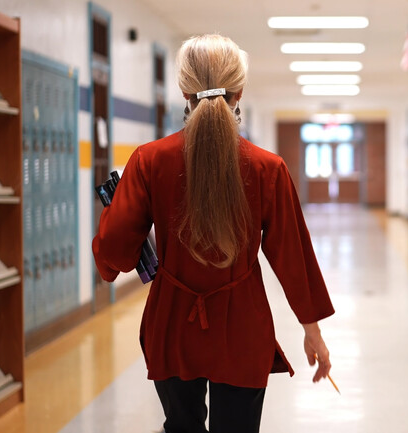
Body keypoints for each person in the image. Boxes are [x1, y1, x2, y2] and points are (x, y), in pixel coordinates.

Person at [92, 34, 334, 433]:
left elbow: (115, 253)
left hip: (171, 323)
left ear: (184, 91)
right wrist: (313, 333)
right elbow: (295, 259)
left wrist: (113, 219)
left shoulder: (148, 161)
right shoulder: (266, 169)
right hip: (242, 325)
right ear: (239, 91)